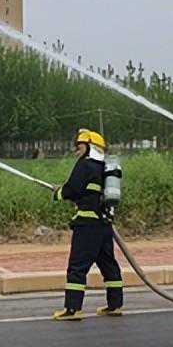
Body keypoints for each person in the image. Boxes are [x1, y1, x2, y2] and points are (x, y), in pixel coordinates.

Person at [51, 128, 125, 321]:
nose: (76, 150)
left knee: (77, 266)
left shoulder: (85, 165)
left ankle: (72, 309)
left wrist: (58, 193)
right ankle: (115, 305)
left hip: (87, 224)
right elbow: (88, 191)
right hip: (104, 224)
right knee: (109, 265)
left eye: (80, 146)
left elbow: (73, 189)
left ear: (90, 147)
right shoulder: (104, 168)